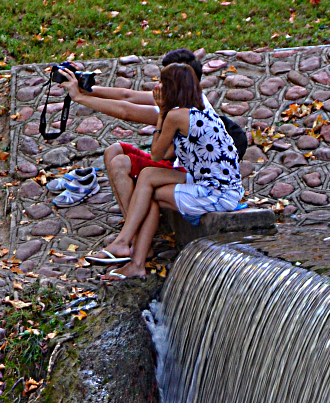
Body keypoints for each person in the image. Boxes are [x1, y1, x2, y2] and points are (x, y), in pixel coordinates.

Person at [65, 63, 243, 279]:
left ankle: (129, 251)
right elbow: (168, 153)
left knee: (150, 192)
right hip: (214, 183)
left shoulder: (176, 116)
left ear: (174, 88)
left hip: (217, 193)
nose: (157, 87)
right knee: (148, 177)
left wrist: (161, 116)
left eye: (162, 83)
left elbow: (157, 154)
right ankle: (130, 253)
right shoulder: (197, 113)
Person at [59, 49, 215, 216]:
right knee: (114, 150)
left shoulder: (183, 111)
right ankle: (132, 221)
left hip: (190, 175)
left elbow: (126, 111)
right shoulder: (185, 95)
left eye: (166, 80)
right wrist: (84, 87)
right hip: (177, 166)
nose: (159, 85)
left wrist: (79, 98)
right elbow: (128, 96)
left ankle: (134, 230)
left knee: (121, 163)